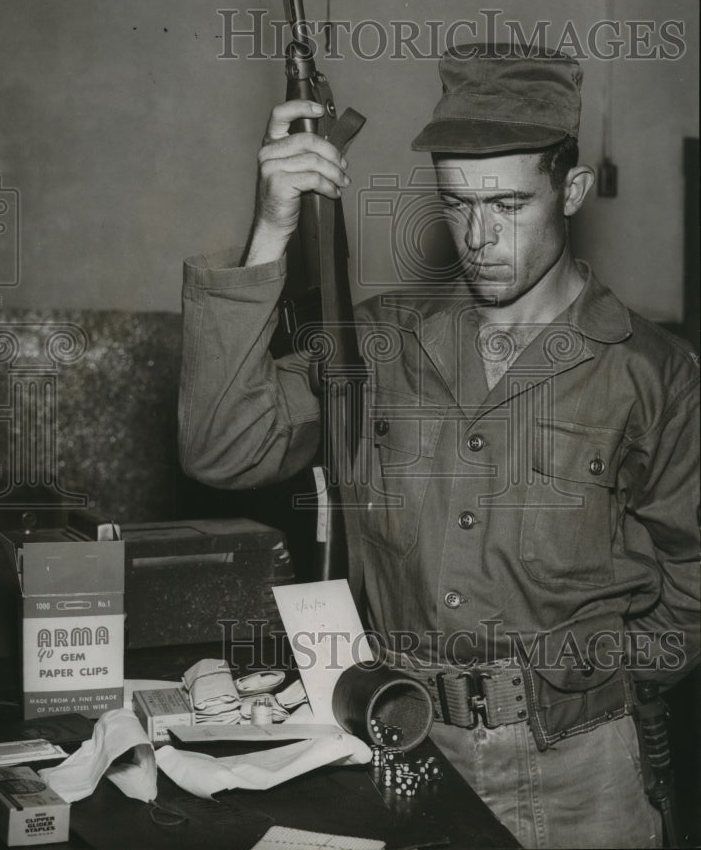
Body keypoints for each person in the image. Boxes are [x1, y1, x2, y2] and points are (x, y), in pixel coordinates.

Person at [178, 45, 700, 848]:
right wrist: (271, 231)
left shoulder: (650, 372)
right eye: (457, 205)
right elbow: (223, 449)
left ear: (574, 189)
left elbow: (691, 579)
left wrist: (595, 677)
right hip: (405, 747)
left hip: (582, 775)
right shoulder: (378, 345)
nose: (479, 237)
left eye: (508, 205)